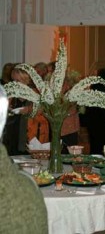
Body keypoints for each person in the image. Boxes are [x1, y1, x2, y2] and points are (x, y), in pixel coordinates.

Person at [0, 85, 48, 233]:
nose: (16, 81)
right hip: (20, 127)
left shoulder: (35, 91)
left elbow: (42, 110)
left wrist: (28, 108)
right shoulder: (26, 189)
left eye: (19, 78)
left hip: (33, 128)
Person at [86, 68, 105, 154]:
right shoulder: (102, 88)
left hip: (94, 121)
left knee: (95, 145)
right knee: (102, 146)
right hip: (100, 122)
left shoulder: (95, 86)